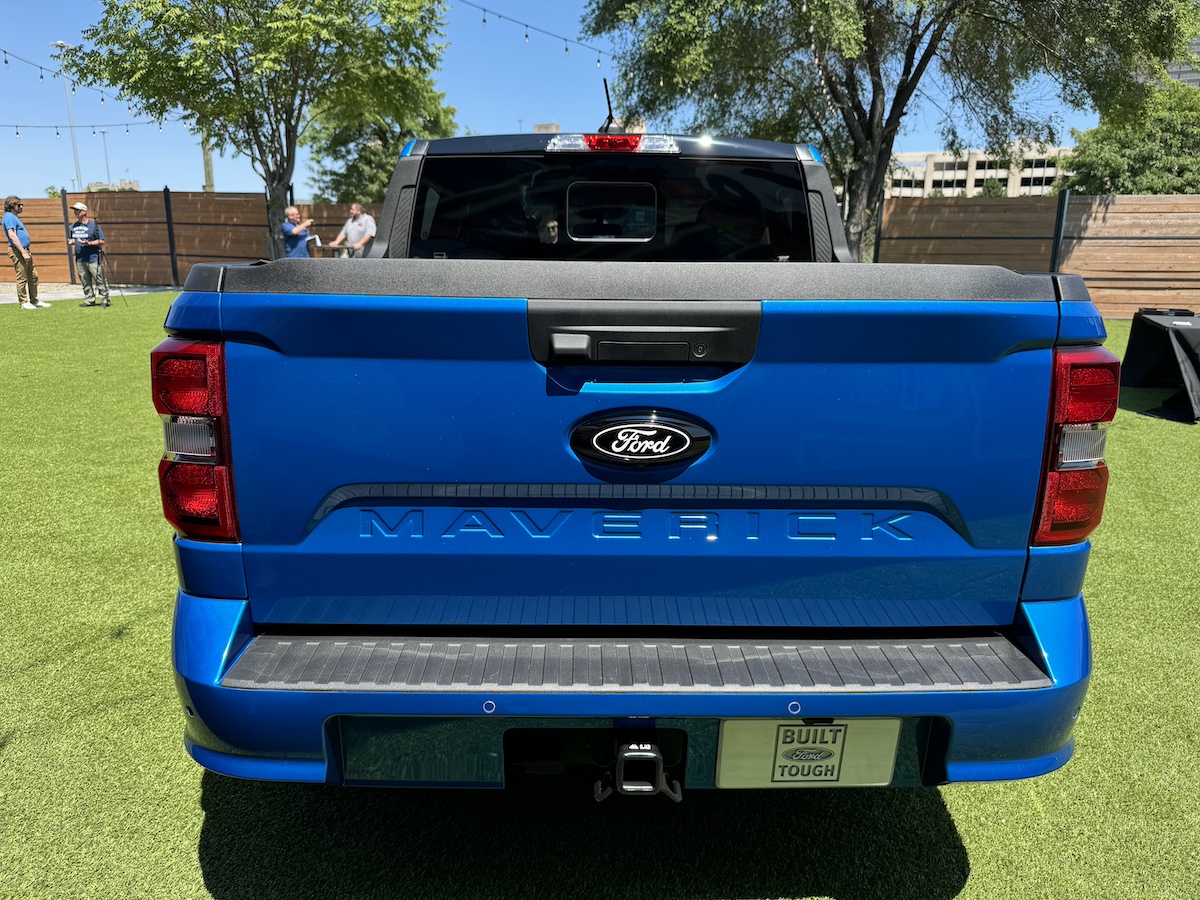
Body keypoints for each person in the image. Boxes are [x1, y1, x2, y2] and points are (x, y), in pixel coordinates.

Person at [4, 195, 48, 309]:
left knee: (33, 276)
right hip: (18, 251)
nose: (22, 207)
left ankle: (34, 300)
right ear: (12, 205)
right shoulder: (8, 216)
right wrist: (23, 252)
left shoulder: (15, 218)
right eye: (19, 205)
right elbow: (12, 236)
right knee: (22, 277)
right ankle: (24, 302)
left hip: (25, 250)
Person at [68, 202, 111, 308]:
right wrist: (71, 242)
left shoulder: (93, 226)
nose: (75, 212)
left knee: (99, 279)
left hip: (93, 258)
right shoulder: (73, 226)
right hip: (80, 258)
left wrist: (90, 243)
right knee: (84, 280)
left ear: (84, 212)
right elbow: (72, 239)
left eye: (78, 210)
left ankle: (105, 299)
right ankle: (89, 300)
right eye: (74, 210)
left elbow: (102, 240)